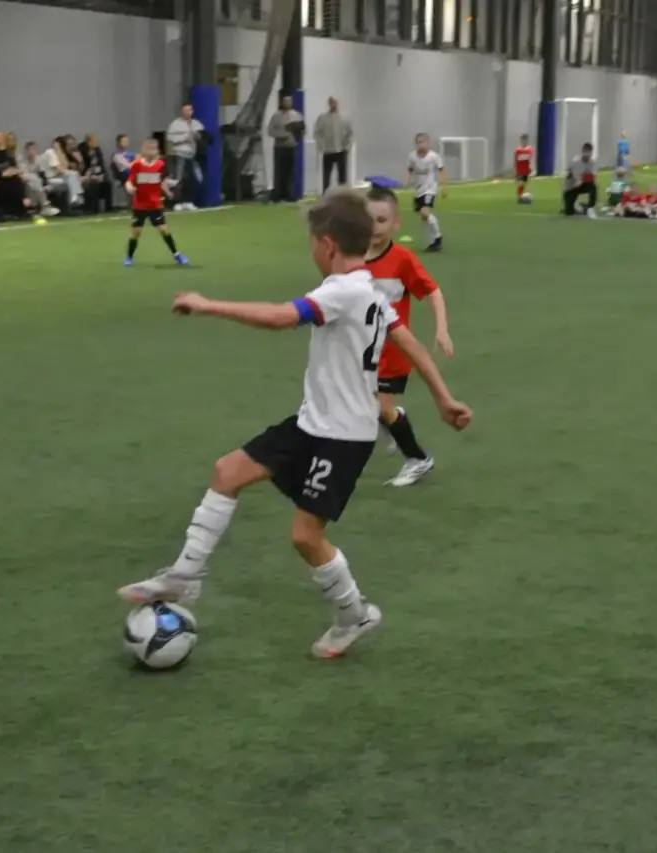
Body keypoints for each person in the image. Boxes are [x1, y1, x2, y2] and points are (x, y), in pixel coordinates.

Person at [116, 191, 472, 661]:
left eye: (311, 243)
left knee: (306, 537)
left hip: (343, 437)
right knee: (227, 471)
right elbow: (409, 343)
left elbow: (283, 317)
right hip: (312, 424)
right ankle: (184, 576)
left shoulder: (341, 290)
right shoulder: (370, 290)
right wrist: (443, 398)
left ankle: (354, 614)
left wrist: (208, 304)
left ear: (327, 245)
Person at [364, 186, 454, 487]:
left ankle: (417, 458)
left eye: (381, 220)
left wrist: (441, 329)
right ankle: (390, 420)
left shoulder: (402, 259)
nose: (374, 227)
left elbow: (433, 292)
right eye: (369, 220)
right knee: (360, 403)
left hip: (393, 353)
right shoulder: (352, 256)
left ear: (395, 223)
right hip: (359, 349)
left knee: (379, 406)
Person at [123, 138, 188, 267]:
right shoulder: (137, 165)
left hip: (155, 205)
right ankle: (129, 257)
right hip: (140, 205)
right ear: (144, 150)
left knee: (164, 230)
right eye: (149, 149)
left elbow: (161, 181)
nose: (152, 151)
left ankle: (177, 255)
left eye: (154, 149)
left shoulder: (160, 165)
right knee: (136, 233)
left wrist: (168, 192)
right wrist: (129, 187)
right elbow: (129, 181)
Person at [407, 133, 447, 250]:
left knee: (425, 212)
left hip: (430, 188)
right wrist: (407, 180)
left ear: (428, 143)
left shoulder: (433, 156)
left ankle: (438, 238)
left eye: (423, 142)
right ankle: (432, 241)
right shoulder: (412, 156)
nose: (421, 144)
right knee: (423, 216)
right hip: (418, 189)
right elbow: (410, 169)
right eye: (418, 142)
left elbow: (441, 170)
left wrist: (444, 187)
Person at [0, 131, 31, 219]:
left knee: (18, 180)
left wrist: (13, 172)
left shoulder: (7, 153)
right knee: (14, 182)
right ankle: (24, 205)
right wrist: (1, 173)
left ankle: (23, 206)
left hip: (10, 179)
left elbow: (14, 167)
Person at [167, 103, 206, 210]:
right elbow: (170, 139)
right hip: (179, 154)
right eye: (185, 110)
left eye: (189, 110)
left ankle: (189, 201)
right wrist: (185, 138)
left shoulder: (196, 124)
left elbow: (203, 136)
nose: (187, 112)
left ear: (192, 111)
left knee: (195, 178)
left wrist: (198, 136)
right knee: (180, 179)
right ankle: (179, 202)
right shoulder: (175, 124)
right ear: (181, 112)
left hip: (192, 155)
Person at [267, 94, 305, 203]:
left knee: (290, 172)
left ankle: (289, 194)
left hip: (291, 146)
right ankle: (278, 195)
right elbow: (270, 131)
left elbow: (302, 130)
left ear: (291, 103)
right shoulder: (276, 116)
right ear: (282, 103)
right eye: (285, 101)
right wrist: (282, 135)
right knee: (279, 171)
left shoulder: (297, 115)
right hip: (279, 147)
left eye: (289, 101)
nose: (287, 103)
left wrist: (297, 136)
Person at [314, 96, 353, 191]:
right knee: (326, 176)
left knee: (342, 176)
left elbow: (350, 134)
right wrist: (321, 146)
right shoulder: (322, 118)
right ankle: (326, 195)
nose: (333, 105)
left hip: (341, 150)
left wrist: (347, 147)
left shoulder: (344, 118)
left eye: (335, 102)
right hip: (328, 151)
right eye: (331, 102)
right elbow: (317, 133)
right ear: (329, 104)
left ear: (337, 103)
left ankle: (342, 194)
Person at [18, 141, 59, 217]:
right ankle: (45, 205)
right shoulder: (22, 161)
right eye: (29, 149)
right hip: (24, 182)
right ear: (26, 151)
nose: (31, 151)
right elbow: (23, 175)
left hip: (36, 184)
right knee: (32, 179)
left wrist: (45, 184)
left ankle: (37, 207)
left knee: (35, 182)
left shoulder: (39, 160)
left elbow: (42, 174)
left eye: (34, 149)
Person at [41, 136, 83, 209]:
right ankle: (75, 199)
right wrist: (73, 174)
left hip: (58, 178)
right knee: (72, 177)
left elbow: (64, 169)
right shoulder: (50, 152)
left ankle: (74, 200)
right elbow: (59, 170)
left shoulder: (60, 154)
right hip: (49, 179)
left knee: (72, 179)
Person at [79, 133, 112, 214]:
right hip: (86, 175)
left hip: (97, 173)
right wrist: (91, 174)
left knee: (108, 183)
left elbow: (101, 164)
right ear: (88, 142)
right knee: (94, 183)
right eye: (94, 141)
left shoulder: (97, 149)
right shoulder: (82, 149)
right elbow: (84, 166)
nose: (96, 142)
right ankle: (94, 209)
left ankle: (108, 208)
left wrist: (102, 174)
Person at [563, 143, 597, 217]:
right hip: (571, 187)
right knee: (569, 212)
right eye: (586, 152)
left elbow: (592, 176)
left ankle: (590, 207)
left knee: (593, 187)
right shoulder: (575, 162)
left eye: (589, 152)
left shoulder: (592, 162)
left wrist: (582, 179)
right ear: (583, 152)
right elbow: (569, 174)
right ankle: (579, 208)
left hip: (581, 184)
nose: (588, 154)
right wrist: (572, 177)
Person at [514, 133, 535, 202]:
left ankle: (524, 197)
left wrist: (532, 169)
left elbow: (531, 160)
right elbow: (515, 160)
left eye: (525, 139)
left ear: (527, 140)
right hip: (520, 171)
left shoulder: (530, 149)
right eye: (523, 139)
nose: (524, 141)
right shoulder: (517, 150)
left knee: (525, 185)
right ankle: (519, 197)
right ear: (521, 140)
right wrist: (515, 170)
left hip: (527, 171)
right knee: (521, 184)